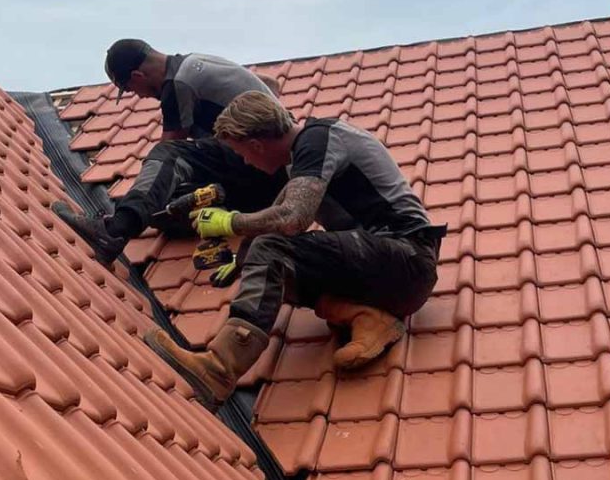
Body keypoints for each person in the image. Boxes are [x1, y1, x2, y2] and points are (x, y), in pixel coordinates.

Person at [145, 91, 446, 412]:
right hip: (389, 273)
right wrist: (241, 261)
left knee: (271, 253)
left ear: (256, 144)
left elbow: (293, 218)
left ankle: (219, 368)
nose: (247, 162)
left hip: (408, 257)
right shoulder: (303, 159)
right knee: (270, 271)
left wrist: (230, 222)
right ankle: (370, 317)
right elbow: (277, 220)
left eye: (243, 153)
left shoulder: (318, 141)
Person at [52, 39, 287, 263]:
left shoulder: (178, 84)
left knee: (167, 156)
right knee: (166, 213)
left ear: (137, 76)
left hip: (261, 166)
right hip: (270, 182)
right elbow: (272, 85)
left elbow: (169, 150)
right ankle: (219, 209)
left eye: (132, 90)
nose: (140, 95)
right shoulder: (196, 65)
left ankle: (115, 230)